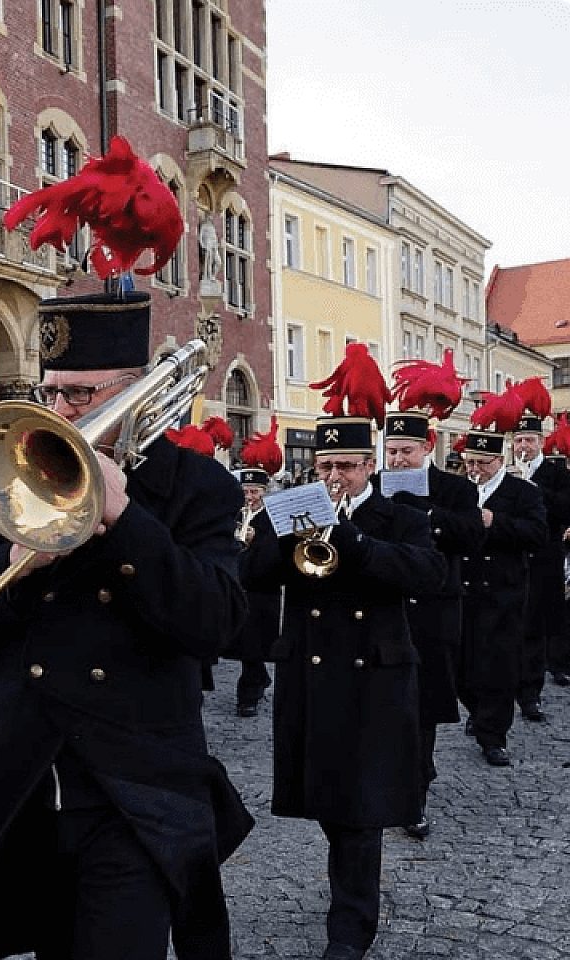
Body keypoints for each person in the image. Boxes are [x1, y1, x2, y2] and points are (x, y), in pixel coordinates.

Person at [0, 291, 251, 960]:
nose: (60, 413)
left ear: (136, 392)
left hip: (133, 789)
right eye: (50, 394)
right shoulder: (19, 472)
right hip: (20, 778)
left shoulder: (197, 487)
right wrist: (16, 566)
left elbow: (217, 623)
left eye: (79, 396)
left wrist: (126, 521)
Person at [243, 383, 444, 960]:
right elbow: (253, 576)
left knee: (361, 808)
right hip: (311, 676)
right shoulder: (298, 509)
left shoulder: (399, 515)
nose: (334, 476)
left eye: (347, 467)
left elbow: (425, 574)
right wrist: (277, 531)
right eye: (326, 465)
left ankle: (350, 927)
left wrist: (350, 537)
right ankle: (349, 890)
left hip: (373, 678)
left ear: (368, 465)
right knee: (330, 802)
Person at [379, 405, 485, 838]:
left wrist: (424, 516)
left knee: (421, 705)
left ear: (427, 447)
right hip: (387, 607)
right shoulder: (375, 485)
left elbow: (472, 537)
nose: (399, 460)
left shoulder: (455, 490)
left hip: (434, 609)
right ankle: (394, 779)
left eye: (406, 451)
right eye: (392, 452)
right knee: (388, 704)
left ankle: (416, 790)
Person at [455, 405, 549, 766]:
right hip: (463, 587)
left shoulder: (522, 493)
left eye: (482, 463)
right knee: (461, 665)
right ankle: (478, 711)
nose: (475, 470)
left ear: (498, 459)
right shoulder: (460, 490)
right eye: (470, 462)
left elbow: (537, 533)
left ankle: (493, 734)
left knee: (497, 664)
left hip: (502, 590)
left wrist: (497, 522)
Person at [506, 409, 570, 718]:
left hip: (545, 557)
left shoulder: (556, 473)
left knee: (537, 625)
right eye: (518, 440)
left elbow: (565, 508)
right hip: (513, 558)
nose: (523, 446)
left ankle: (531, 693)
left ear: (541, 442)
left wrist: (533, 489)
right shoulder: (505, 471)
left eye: (529, 440)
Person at [225, 466, 278, 717]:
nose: (249, 496)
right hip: (239, 584)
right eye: (245, 491)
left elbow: (277, 552)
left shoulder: (271, 518)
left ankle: (249, 694)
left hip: (262, 589)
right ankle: (257, 680)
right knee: (243, 641)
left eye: (254, 491)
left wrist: (257, 540)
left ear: (264, 493)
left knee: (254, 644)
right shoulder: (235, 514)